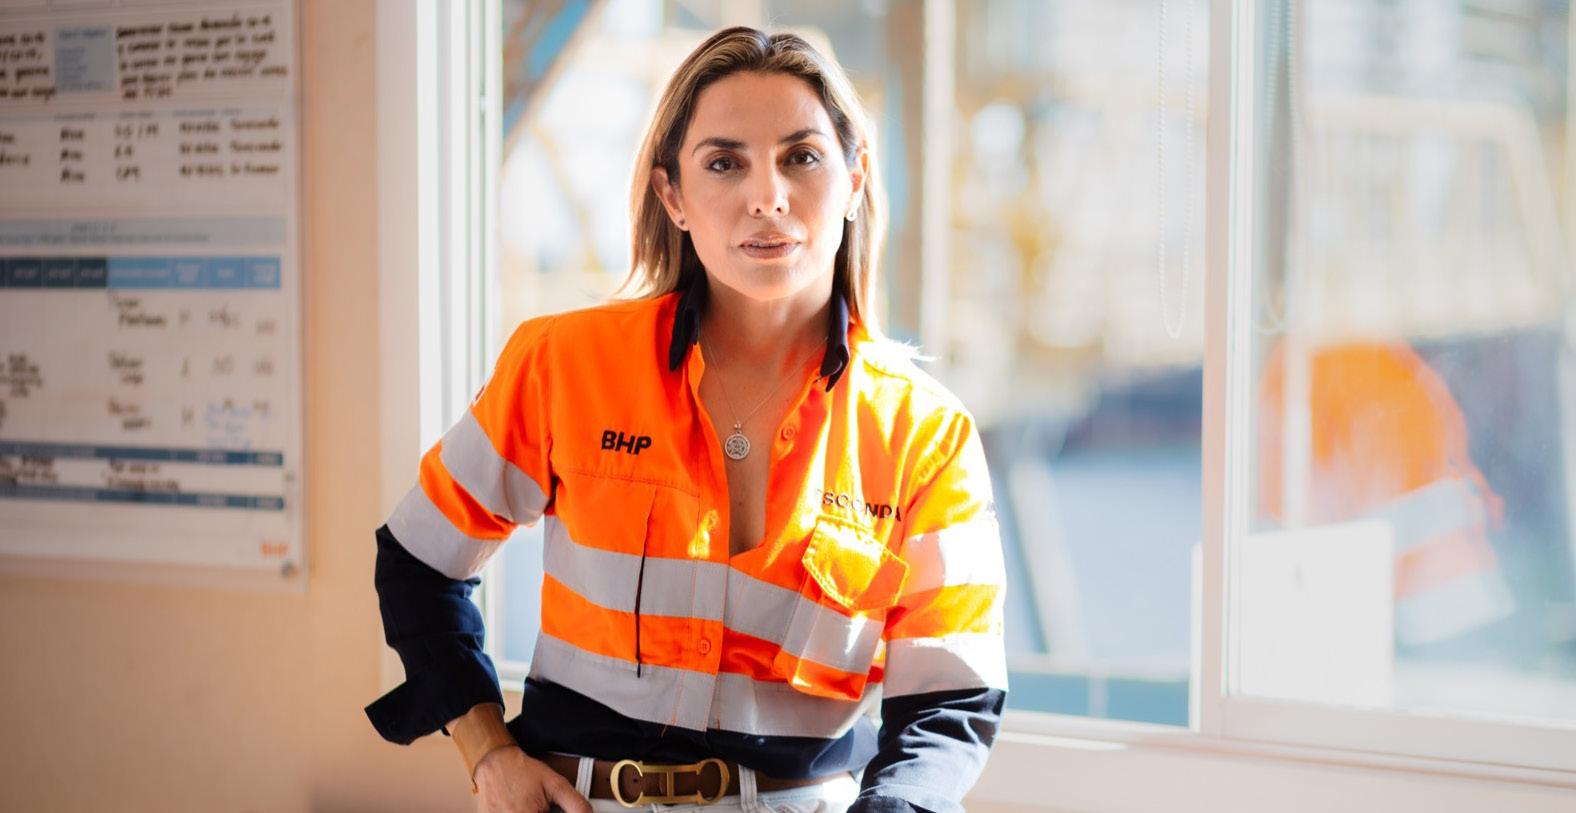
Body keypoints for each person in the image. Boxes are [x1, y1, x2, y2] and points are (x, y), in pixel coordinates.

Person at [365, 27, 1007, 813]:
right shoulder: (562, 363)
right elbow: (419, 560)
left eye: (802, 157)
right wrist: (489, 753)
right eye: (725, 163)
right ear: (673, 196)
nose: (767, 196)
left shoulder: (926, 434)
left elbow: (948, 703)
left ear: (854, 180)